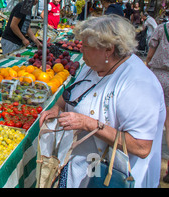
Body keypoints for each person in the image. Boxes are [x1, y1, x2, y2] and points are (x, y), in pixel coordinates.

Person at [39, 14, 165, 188]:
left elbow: (142, 147)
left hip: (110, 177)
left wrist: (89, 124)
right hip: (82, 167)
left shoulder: (139, 85)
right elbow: (71, 93)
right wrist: (57, 108)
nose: (81, 49)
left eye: (86, 46)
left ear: (108, 49)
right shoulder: (92, 67)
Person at [146, 20, 169, 182]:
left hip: (159, 76)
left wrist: (147, 65)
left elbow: (150, 54)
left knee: (152, 120)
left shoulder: (163, 28)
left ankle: (148, 166)